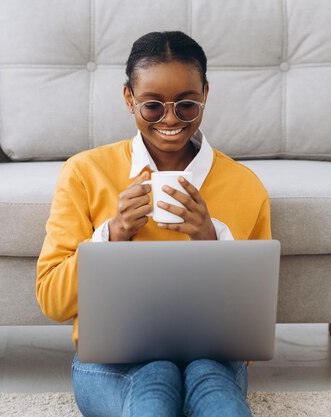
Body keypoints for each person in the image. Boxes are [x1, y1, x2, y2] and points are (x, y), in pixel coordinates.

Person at [36, 31, 271, 417]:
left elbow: (253, 319)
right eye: (152, 106)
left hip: (215, 359)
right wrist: (113, 235)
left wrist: (209, 240)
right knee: (153, 389)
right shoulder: (85, 173)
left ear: (205, 95)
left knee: (216, 392)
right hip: (113, 362)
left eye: (187, 105)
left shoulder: (244, 186)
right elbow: (52, 300)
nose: (171, 119)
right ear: (129, 99)